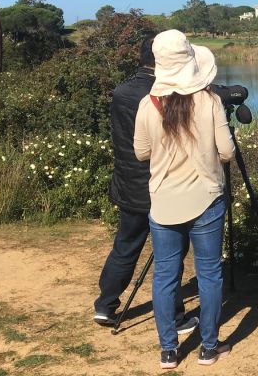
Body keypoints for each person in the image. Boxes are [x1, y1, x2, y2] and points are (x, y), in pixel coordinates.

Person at [134, 29, 235, 369]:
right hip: (207, 200)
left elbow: (140, 152)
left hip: (163, 203)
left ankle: (168, 351)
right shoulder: (209, 101)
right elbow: (226, 152)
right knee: (209, 274)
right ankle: (209, 347)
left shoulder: (148, 105)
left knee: (165, 276)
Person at [94, 36, 198, 335]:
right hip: (162, 185)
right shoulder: (165, 93)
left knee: (126, 245)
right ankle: (175, 316)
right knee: (171, 253)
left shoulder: (123, 91)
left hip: (128, 184)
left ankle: (105, 304)